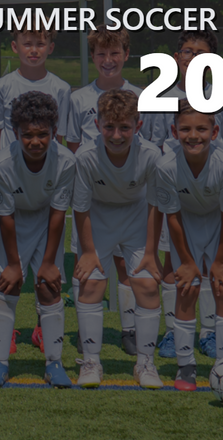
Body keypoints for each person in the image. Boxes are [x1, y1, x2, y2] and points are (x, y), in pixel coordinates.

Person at [65, 26, 152, 358]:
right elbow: (73, 145)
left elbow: (149, 145)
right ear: (93, 57)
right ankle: (88, 335)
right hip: (93, 196)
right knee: (87, 265)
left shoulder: (144, 96)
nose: (108, 59)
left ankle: (129, 329)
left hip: (131, 195)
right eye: (101, 53)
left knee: (127, 267)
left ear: (127, 55)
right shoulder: (78, 98)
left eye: (115, 52)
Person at [0, 92, 74, 389]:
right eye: (27, 135)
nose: (35, 141)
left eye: (43, 134)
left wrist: (48, 263)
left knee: (48, 287)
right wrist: (12, 264)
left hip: (47, 221)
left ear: (54, 132)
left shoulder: (65, 161)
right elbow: (4, 216)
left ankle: (54, 363)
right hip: (13, 225)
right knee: (9, 284)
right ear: (15, 133)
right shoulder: (3, 164)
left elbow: (59, 213)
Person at [71, 90, 162, 389]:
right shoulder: (85, 156)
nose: (117, 134)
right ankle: (92, 361)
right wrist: (87, 251)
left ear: (138, 124)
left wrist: (150, 251)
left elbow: (154, 205)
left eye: (125, 127)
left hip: (136, 219)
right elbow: (80, 208)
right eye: (109, 126)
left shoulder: (151, 154)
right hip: (97, 219)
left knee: (147, 284)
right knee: (92, 281)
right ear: (97, 124)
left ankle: (145, 362)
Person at [152, 101, 223, 391]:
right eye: (185, 129)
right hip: (185, 224)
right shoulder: (165, 166)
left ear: (215, 131)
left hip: (219, 224)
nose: (193, 135)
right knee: (186, 288)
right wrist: (188, 263)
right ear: (174, 131)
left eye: (202, 129)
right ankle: (186, 365)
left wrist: (220, 261)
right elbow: (173, 217)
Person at [0, 26, 71, 151]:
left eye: (40, 44)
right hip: (11, 165)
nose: (34, 50)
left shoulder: (62, 89)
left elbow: (58, 136)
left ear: (50, 48)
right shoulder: (1, 86)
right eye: (27, 44)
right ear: (15, 47)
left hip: (46, 165)